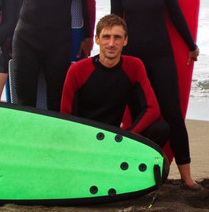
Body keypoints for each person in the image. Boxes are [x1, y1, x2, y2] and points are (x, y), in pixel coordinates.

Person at [110, 0, 200, 189]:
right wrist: (110, 51)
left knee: (173, 115)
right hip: (131, 61)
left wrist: (191, 45)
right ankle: (139, 172)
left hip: (161, 57)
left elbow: (176, 15)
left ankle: (187, 177)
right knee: (139, 117)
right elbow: (116, 21)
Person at [61, 14, 170, 149]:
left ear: (125, 41)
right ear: (97, 39)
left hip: (116, 137)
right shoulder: (78, 70)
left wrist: (127, 136)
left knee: (161, 129)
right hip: (85, 138)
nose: (111, 43)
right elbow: (66, 116)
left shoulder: (133, 66)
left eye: (117, 37)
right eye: (106, 37)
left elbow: (152, 109)